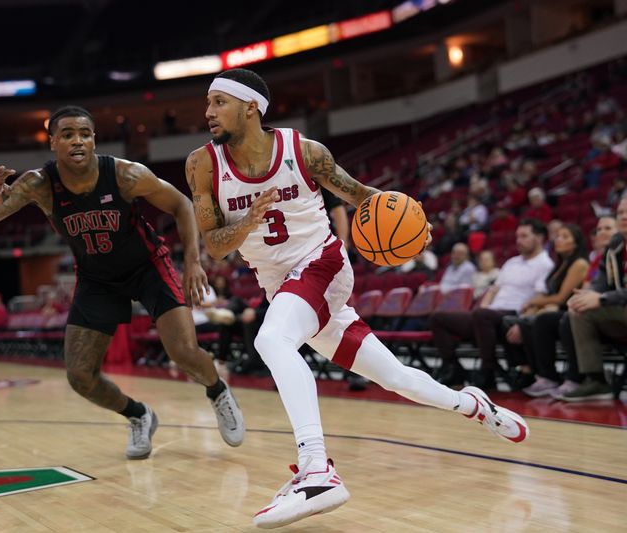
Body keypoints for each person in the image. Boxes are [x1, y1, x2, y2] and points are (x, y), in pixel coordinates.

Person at [186, 68, 529, 529]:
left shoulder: (305, 152)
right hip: (282, 284)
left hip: (323, 265)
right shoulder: (202, 164)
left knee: (272, 341)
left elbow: (364, 196)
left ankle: (316, 471)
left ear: (251, 106)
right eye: (208, 103)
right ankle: (474, 405)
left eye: (218, 102)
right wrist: (248, 221)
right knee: (397, 378)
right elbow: (214, 244)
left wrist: (412, 222)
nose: (208, 112)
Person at [0, 105, 244, 459]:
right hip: (97, 278)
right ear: (53, 142)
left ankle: (218, 391)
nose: (77, 141)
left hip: (147, 266)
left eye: (84, 133)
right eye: (67, 134)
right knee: (80, 376)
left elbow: (180, 204)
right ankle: (139, 415)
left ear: (94, 139)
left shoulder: (125, 174)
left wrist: (192, 262)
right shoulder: (39, 184)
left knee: (183, 352)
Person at [429, 219, 555, 389]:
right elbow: (493, 290)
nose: (518, 240)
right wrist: (484, 306)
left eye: (524, 236)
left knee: (482, 315)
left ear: (539, 238)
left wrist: (523, 321)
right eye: (517, 236)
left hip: (513, 315)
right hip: (489, 316)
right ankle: (455, 370)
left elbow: (540, 297)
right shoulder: (512, 262)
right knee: (439, 317)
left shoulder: (545, 264)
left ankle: (488, 370)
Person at [506, 224, 589, 396]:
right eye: (558, 236)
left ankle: (554, 376)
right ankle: (539, 375)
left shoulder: (579, 263)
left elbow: (560, 298)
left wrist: (534, 302)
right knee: (519, 322)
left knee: (540, 321)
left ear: (576, 243)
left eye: (565, 237)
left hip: (572, 311)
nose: (558, 239)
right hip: (558, 312)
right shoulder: (560, 264)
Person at [562, 197, 627, 401]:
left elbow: (605, 294)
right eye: (620, 213)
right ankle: (597, 380)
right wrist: (587, 296)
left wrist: (602, 298)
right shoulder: (616, 245)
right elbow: (601, 281)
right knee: (579, 309)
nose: (623, 217)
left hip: (619, 305)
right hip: (621, 310)